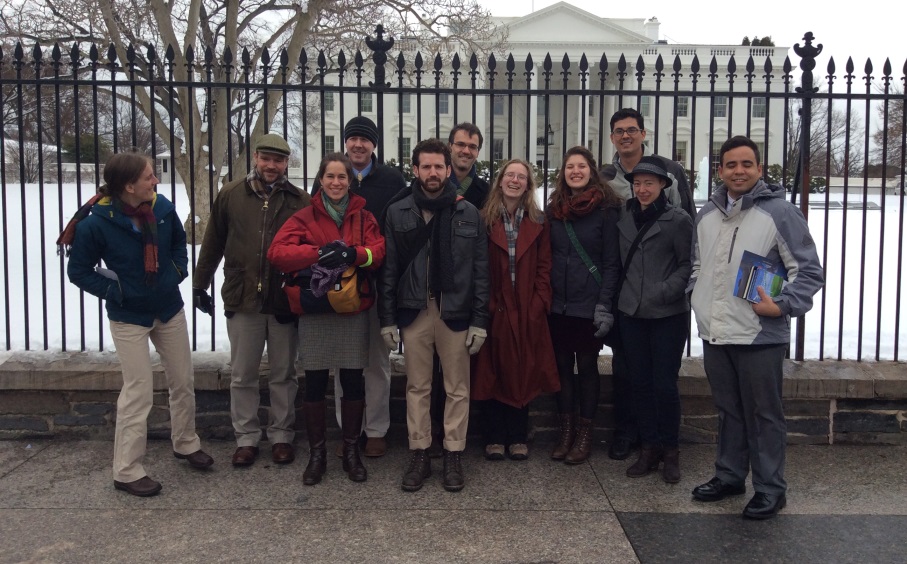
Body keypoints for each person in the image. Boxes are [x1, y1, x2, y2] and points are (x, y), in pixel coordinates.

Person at [60, 151, 213, 497]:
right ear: (129, 186)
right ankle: (127, 470)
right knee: (138, 391)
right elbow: (78, 271)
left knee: (183, 381)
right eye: (148, 177)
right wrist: (117, 290)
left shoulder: (162, 208)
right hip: (128, 316)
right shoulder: (95, 223)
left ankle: (186, 443)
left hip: (168, 309)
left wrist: (176, 272)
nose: (155, 181)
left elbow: (178, 244)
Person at [689, 136, 824, 519]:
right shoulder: (707, 214)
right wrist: (695, 297)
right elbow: (698, 265)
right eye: (731, 165)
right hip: (716, 332)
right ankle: (730, 475)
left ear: (760, 169)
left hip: (759, 334)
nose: (739, 171)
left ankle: (770, 488)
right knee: (728, 410)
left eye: (747, 164)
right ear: (720, 171)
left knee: (764, 414)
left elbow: (809, 271)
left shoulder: (780, 213)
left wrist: (781, 306)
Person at [192, 133, 311, 467]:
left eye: (279, 160)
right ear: (255, 157)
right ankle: (246, 437)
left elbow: (308, 248)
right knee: (242, 374)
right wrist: (201, 284)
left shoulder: (299, 200)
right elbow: (213, 241)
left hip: (283, 299)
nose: (271, 166)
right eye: (266, 159)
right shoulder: (231, 194)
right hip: (243, 296)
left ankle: (282, 435)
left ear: (287, 163)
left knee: (283, 374)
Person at [268, 153, 386, 485]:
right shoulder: (304, 217)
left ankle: (351, 452)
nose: (336, 182)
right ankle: (317, 454)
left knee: (352, 381)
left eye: (342, 177)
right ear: (320, 180)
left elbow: (379, 252)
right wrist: (318, 253)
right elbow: (277, 253)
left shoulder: (363, 217)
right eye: (330, 176)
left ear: (351, 181)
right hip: (316, 309)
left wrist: (354, 254)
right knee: (316, 383)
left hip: (351, 309)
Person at [380, 138, 490, 492]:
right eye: (425, 166)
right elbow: (389, 270)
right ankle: (420, 451)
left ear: (448, 169)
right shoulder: (398, 211)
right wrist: (386, 319)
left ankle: (454, 451)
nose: (432, 172)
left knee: (458, 387)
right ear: (414, 170)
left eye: (438, 166)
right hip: (415, 310)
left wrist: (479, 320)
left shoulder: (467, 212)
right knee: (418, 386)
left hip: (454, 310)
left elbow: (480, 272)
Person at [599, 107, 696, 462]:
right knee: (628, 372)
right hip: (627, 296)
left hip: (664, 297)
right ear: (612, 137)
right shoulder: (605, 176)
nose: (626, 136)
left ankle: (662, 443)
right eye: (619, 131)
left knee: (661, 379)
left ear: (643, 134)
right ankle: (631, 433)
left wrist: (672, 287)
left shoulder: (670, 171)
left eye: (632, 130)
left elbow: (688, 230)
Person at [319, 116, 406, 459]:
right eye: (352, 138)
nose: (358, 144)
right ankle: (349, 429)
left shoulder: (392, 179)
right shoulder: (332, 175)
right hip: (339, 285)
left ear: (374, 145)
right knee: (344, 363)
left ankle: (377, 429)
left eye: (364, 140)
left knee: (377, 362)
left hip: (378, 282)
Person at [472, 159, 559, 461]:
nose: (515, 180)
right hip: (495, 306)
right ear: (499, 181)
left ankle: (518, 435)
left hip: (526, 307)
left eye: (521, 176)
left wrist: (539, 303)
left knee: (522, 370)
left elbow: (545, 266)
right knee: (492, 371)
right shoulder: (484, 219)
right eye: (510, 175)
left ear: (528, 184)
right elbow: (478, 267)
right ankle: (494, 436)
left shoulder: (538, 221)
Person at [616, 156, 693, 483]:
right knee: (640, 383)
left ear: (663, 185)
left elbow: (687, 264)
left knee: (664, 384)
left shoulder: (678, 220)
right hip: (632, 313)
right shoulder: (623, 215)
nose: (642, 189)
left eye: (649, 183)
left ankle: (670, 449)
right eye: (637, 183)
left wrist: (665, 290)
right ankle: (648, 447)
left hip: (666, 314)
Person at [547, 146, 622, 465]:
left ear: (591, 170)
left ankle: (585, 434)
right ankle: (566, 432)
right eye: (569, 167)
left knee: (588, 368)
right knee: (562, 368)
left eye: (581, 166)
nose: (575, 171)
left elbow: (610, 263)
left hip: (588, 304)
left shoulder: (607, 210)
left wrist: (604, 304)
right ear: (563, 173)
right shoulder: (554, 209)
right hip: (558, 305)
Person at [425, 122, 492, 458]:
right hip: (429, 294)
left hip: (464, 292)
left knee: (458, 375)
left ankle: (458, 436)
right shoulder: (430, 184)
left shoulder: (484, 191)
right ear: (450, 147)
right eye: (461, 144)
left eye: (473, 146)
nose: (466, 150)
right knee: (427, 377)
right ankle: (433, 433)